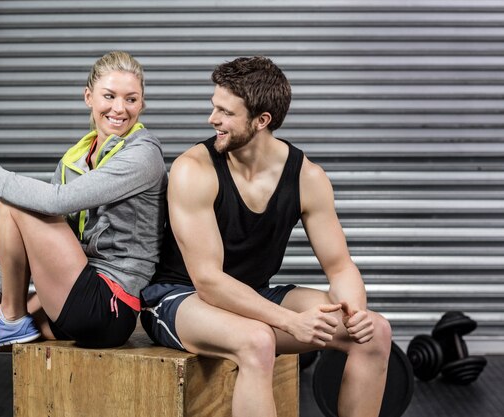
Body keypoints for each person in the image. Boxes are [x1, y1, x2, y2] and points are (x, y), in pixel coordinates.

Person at [140, 56, 392, 417]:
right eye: (214, 108)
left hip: (253, 294)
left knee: (376, 333)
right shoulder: (193, 170)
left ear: (261, 121)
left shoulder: (308, 177)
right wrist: (289, 321)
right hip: (180, 297)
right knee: (257, 340)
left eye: (225, 113)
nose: (213, 120)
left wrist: (356, 312)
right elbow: (208, 282)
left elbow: (340, 267)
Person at [0, 51, 167, 417]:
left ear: (142, 102)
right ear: (89, 97)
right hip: (76, 288)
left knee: (13, 202)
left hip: (110, 305)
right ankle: (6, 324)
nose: (120, 109)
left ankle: (13, 321)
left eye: (131, 99)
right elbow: (31, 242)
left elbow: (55, 203)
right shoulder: (77, 158)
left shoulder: (143, 155)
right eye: (109, 96)